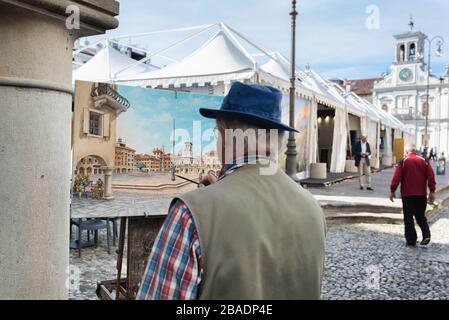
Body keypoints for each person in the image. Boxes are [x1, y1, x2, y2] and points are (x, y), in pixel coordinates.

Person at [137, 82, 326, 300]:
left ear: (226, 134)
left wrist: (207, 203)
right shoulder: (312, 207)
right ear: (278, 141)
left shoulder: (190, 213)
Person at [390, 144, 436, 247]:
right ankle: (426, 235)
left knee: (408, 217)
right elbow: (431, 177)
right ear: (416, 151)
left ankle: (411, 240)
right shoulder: (424, 161)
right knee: (420, 216)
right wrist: (432, 191)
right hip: (421, 194)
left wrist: (392, 190)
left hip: (407, 195)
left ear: (406, 152)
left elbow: (396, 178)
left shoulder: (403, 161)